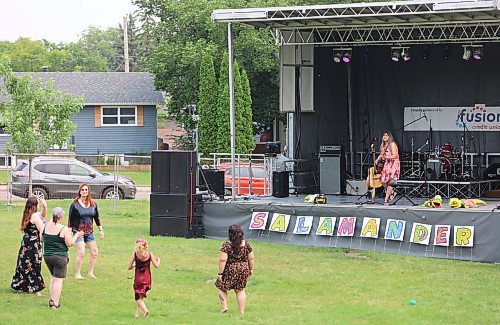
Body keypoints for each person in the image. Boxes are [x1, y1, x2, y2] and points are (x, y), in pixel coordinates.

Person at [43, 207, 84, 308]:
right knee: (58, 280)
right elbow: (69, 243)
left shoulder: (46, 225)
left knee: (53, 277)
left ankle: (52, 300)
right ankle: (55, 304)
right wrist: (77, 235)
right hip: (60, 257)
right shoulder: (63, 229)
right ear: (61, 217)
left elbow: (41, 238)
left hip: (47, 256)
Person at [11, 196, 47, 295]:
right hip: (33, 244)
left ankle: (22, 285)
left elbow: (42, 215)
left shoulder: (28, 214)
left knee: (23, 264)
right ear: (35, 205)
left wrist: (45, 206)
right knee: (34, 265)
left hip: (26, 243)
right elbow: (42, 228)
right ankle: (35, 288)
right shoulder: (35, 216)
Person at [215, 225, 255, 314]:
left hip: (230, 269)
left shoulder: (227, 245)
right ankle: (241, 311)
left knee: (221, 286)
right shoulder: (246, 244)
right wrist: (251, 269)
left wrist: (220, 273)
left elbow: (223, 260)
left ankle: (224, 307)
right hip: (243, 268)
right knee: (240, 290)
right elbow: (251, 258)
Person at [68, 184, 104, 279]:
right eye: (82, 190)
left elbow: (97, 217)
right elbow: (70, 219)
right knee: (81, 252)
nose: (84, 191)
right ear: (80, 191)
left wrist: (100, 230)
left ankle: (90, 273)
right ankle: (77, 274)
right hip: (78, 231)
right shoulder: (74, 204)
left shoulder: (93, 204)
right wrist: (69, 233)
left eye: (86, 190)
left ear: (88, 191)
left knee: (94, 252)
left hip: (89, 232)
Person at [127, 238, 160, 318]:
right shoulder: (149, 254)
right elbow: (156, 265)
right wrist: (158, 260)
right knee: (141, 295)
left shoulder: (135, 255)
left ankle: (145, 310)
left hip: (138, 278)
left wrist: (135, 265)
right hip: (147, 277)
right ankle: (137, 313)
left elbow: (129, 267)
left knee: (138, 297)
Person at [375, 131, 401, 204]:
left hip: (393, 164)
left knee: (390, 181)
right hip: (387, 164)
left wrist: (385, 157)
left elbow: (395, 156)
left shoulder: (392, 144)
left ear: (390, 137)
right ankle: (392, 192)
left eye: (386, 136)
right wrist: (377, 160)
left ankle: (386, 199)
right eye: (384, 135)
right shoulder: (383, 145)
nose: (385, 137)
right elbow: (381, 154)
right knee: (383, 180)